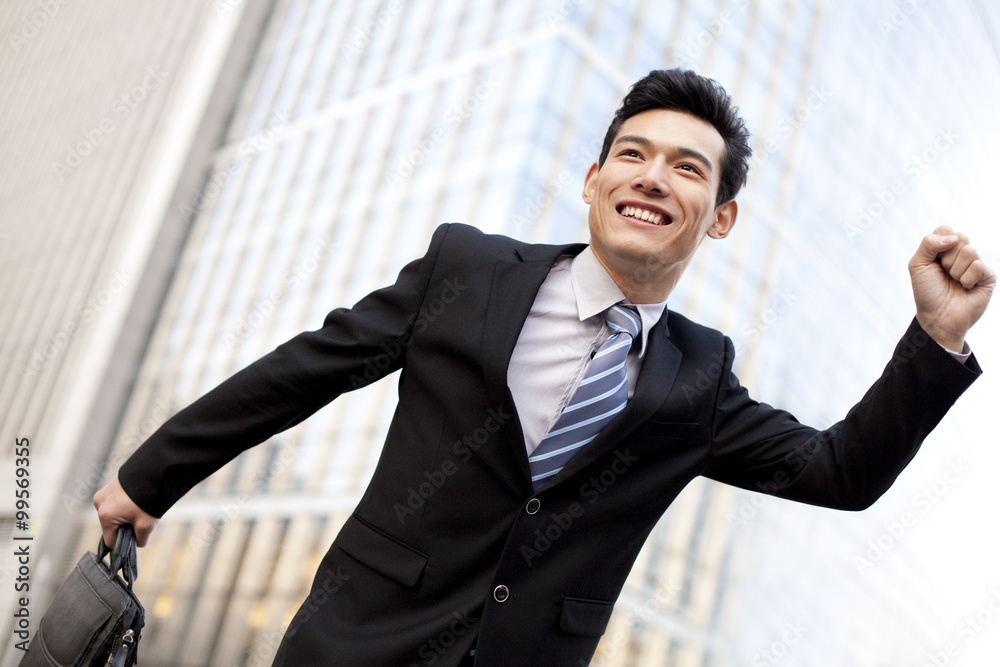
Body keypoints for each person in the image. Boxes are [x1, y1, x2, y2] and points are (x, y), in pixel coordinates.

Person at [93, 69, 994, 666]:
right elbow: (305, 369)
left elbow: (839, 472)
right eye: (632, 154)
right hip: (355, 642)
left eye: (687, 168)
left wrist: (935, 338)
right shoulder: (468, 270)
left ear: (718, 217)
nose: (652, 177)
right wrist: (152, 476)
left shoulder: (700, 376)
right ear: (596, 177)